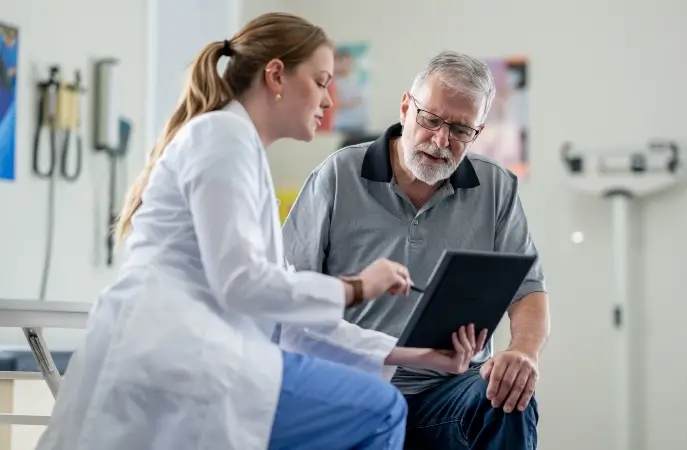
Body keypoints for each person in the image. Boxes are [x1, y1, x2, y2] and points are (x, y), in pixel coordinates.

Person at [34, 16, 487, 450]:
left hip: (201, 361)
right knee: (381, 409)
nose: (329, 101)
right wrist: (356, 287)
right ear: (276, 76)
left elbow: (290, 320)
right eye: (321, 82)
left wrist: (418, 354)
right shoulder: (221, 138)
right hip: (171, 360)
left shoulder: (240, 150)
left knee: (376, 408)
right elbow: (242, 283)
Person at [282, 50, 550, 449]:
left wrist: (523, 353)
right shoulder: (337, 177)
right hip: (354, 388)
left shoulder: (497, 188)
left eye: (461, 130)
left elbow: (528, 291)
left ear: (477, 133)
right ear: (407, 107)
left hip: (450, 391)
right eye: (432, 120)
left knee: (507, 398)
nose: (441, 140)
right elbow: (289, 295)